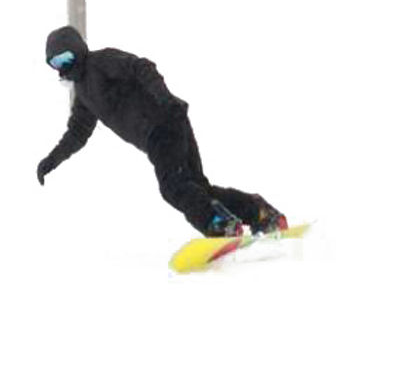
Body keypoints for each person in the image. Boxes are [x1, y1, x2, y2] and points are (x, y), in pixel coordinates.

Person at [33, 26, 285, 237]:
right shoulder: (84, 97)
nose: (63, 65)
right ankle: (259, 213)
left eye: (65, 57)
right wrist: (50, 161)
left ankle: (220, 226)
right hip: (167, 125)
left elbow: (141, 67)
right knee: (196, 188)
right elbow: (76, 134)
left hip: (162, 123)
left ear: (78, 49)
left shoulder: (101, 62)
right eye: (55, 62)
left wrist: (164, 99)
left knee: (173, 187)